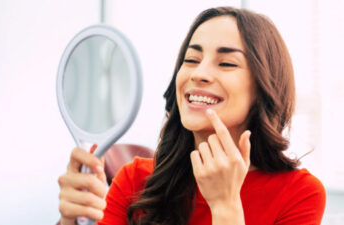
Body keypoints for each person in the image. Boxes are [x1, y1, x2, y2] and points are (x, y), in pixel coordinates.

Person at [58, 6, 326, 225]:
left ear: (264, 88)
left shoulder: (300, 194)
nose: (198, 73)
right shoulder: (134, 180)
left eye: (226, 63)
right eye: (191, 60)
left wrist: (225, 207)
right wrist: (69, 221)